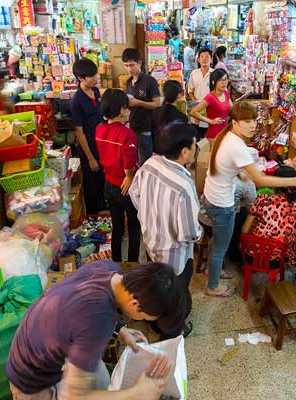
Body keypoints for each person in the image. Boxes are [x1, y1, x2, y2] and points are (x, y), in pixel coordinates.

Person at [7, 260, 190, 399]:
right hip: (31, 377)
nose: (142, 320)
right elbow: (73, 396)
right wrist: (136, 393)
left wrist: (120, 329)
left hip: (37, 340)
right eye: (145, 317)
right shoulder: (97, 322)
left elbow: (83, 313)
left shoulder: (109, 270)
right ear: (135, 303)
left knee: (100, 381)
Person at [202, 101, 296, 297]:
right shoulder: (236, 145)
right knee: (220, 247)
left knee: (217, 243)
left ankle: (212, 269)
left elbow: (237, 169)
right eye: (247, 121)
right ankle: (212, 286)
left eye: (254, 120)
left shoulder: (228, 137)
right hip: (222, 204)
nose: (253, 125)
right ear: (235, 123)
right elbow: (260, 179)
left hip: (213, 196)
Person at [130, 122, 200, 338]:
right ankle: (171, 330)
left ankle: (155, 320)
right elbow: (189, 232)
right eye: (195, 144)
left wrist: (151, 218)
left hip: (151, 241)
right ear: (184, 151)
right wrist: (201, 234)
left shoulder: (150, 164)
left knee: (156, 288)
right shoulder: (184, 185)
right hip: (174, 254)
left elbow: (134, 194)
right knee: (174, 294)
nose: (197, 148)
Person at [95, 89, 141, 264]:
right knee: (134, 227)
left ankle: (116, 261)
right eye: (127, 108)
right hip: (125, 186)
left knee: (117, 225)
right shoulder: (126, 134)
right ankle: (132, 264)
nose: (129, 111)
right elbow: (129, 161)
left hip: (108, 183)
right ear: (121, 109)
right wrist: (129, 176)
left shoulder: (99, 129)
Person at [241, 166, 296, 280]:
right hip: (277, 262)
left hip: (252, 256)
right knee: (295, 264)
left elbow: (244, 230)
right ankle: (282, 284)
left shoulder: (261, 199)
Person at [70, 58, 106, 214]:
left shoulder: (96, 91)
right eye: (91, 76)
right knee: (91, 183)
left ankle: (102, 206)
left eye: (95, 75)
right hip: (88, 147)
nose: (95, 79)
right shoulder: (76, 101)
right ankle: (92, 214)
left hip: (101, 143)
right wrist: (90, 157)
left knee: (101, 178)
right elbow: (79, 131)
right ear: (80, 78)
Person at [122, 48, 161, 165]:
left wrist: (139, 103)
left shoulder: (150, 81)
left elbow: (157, 104)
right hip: (132, 126)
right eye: (126, 65)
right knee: (135, 161)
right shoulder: (128, 82)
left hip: (146, 128)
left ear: (139, 63)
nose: (129, 69)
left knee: (145, 162)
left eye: (131, 65)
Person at [189, 68, 231, 147]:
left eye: (226, 79)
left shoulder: (225, 93)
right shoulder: (210, 97)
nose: (224, 82)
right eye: (221, 80)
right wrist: (210, 121)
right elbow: (193, 112)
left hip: (225, 131)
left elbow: (231, 109)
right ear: (213, 82)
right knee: (214, 157)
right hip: (214, 134)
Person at [187, 48, 213, 139]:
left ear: (211, 59)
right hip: (197, 111)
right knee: (197, 137)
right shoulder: (194, 73)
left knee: (209, 138)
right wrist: (196, 103)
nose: (204, 59)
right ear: (198, 60)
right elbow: (190, 91)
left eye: (207, 57)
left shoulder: (214, 74)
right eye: (202, 57)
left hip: (211, 111)